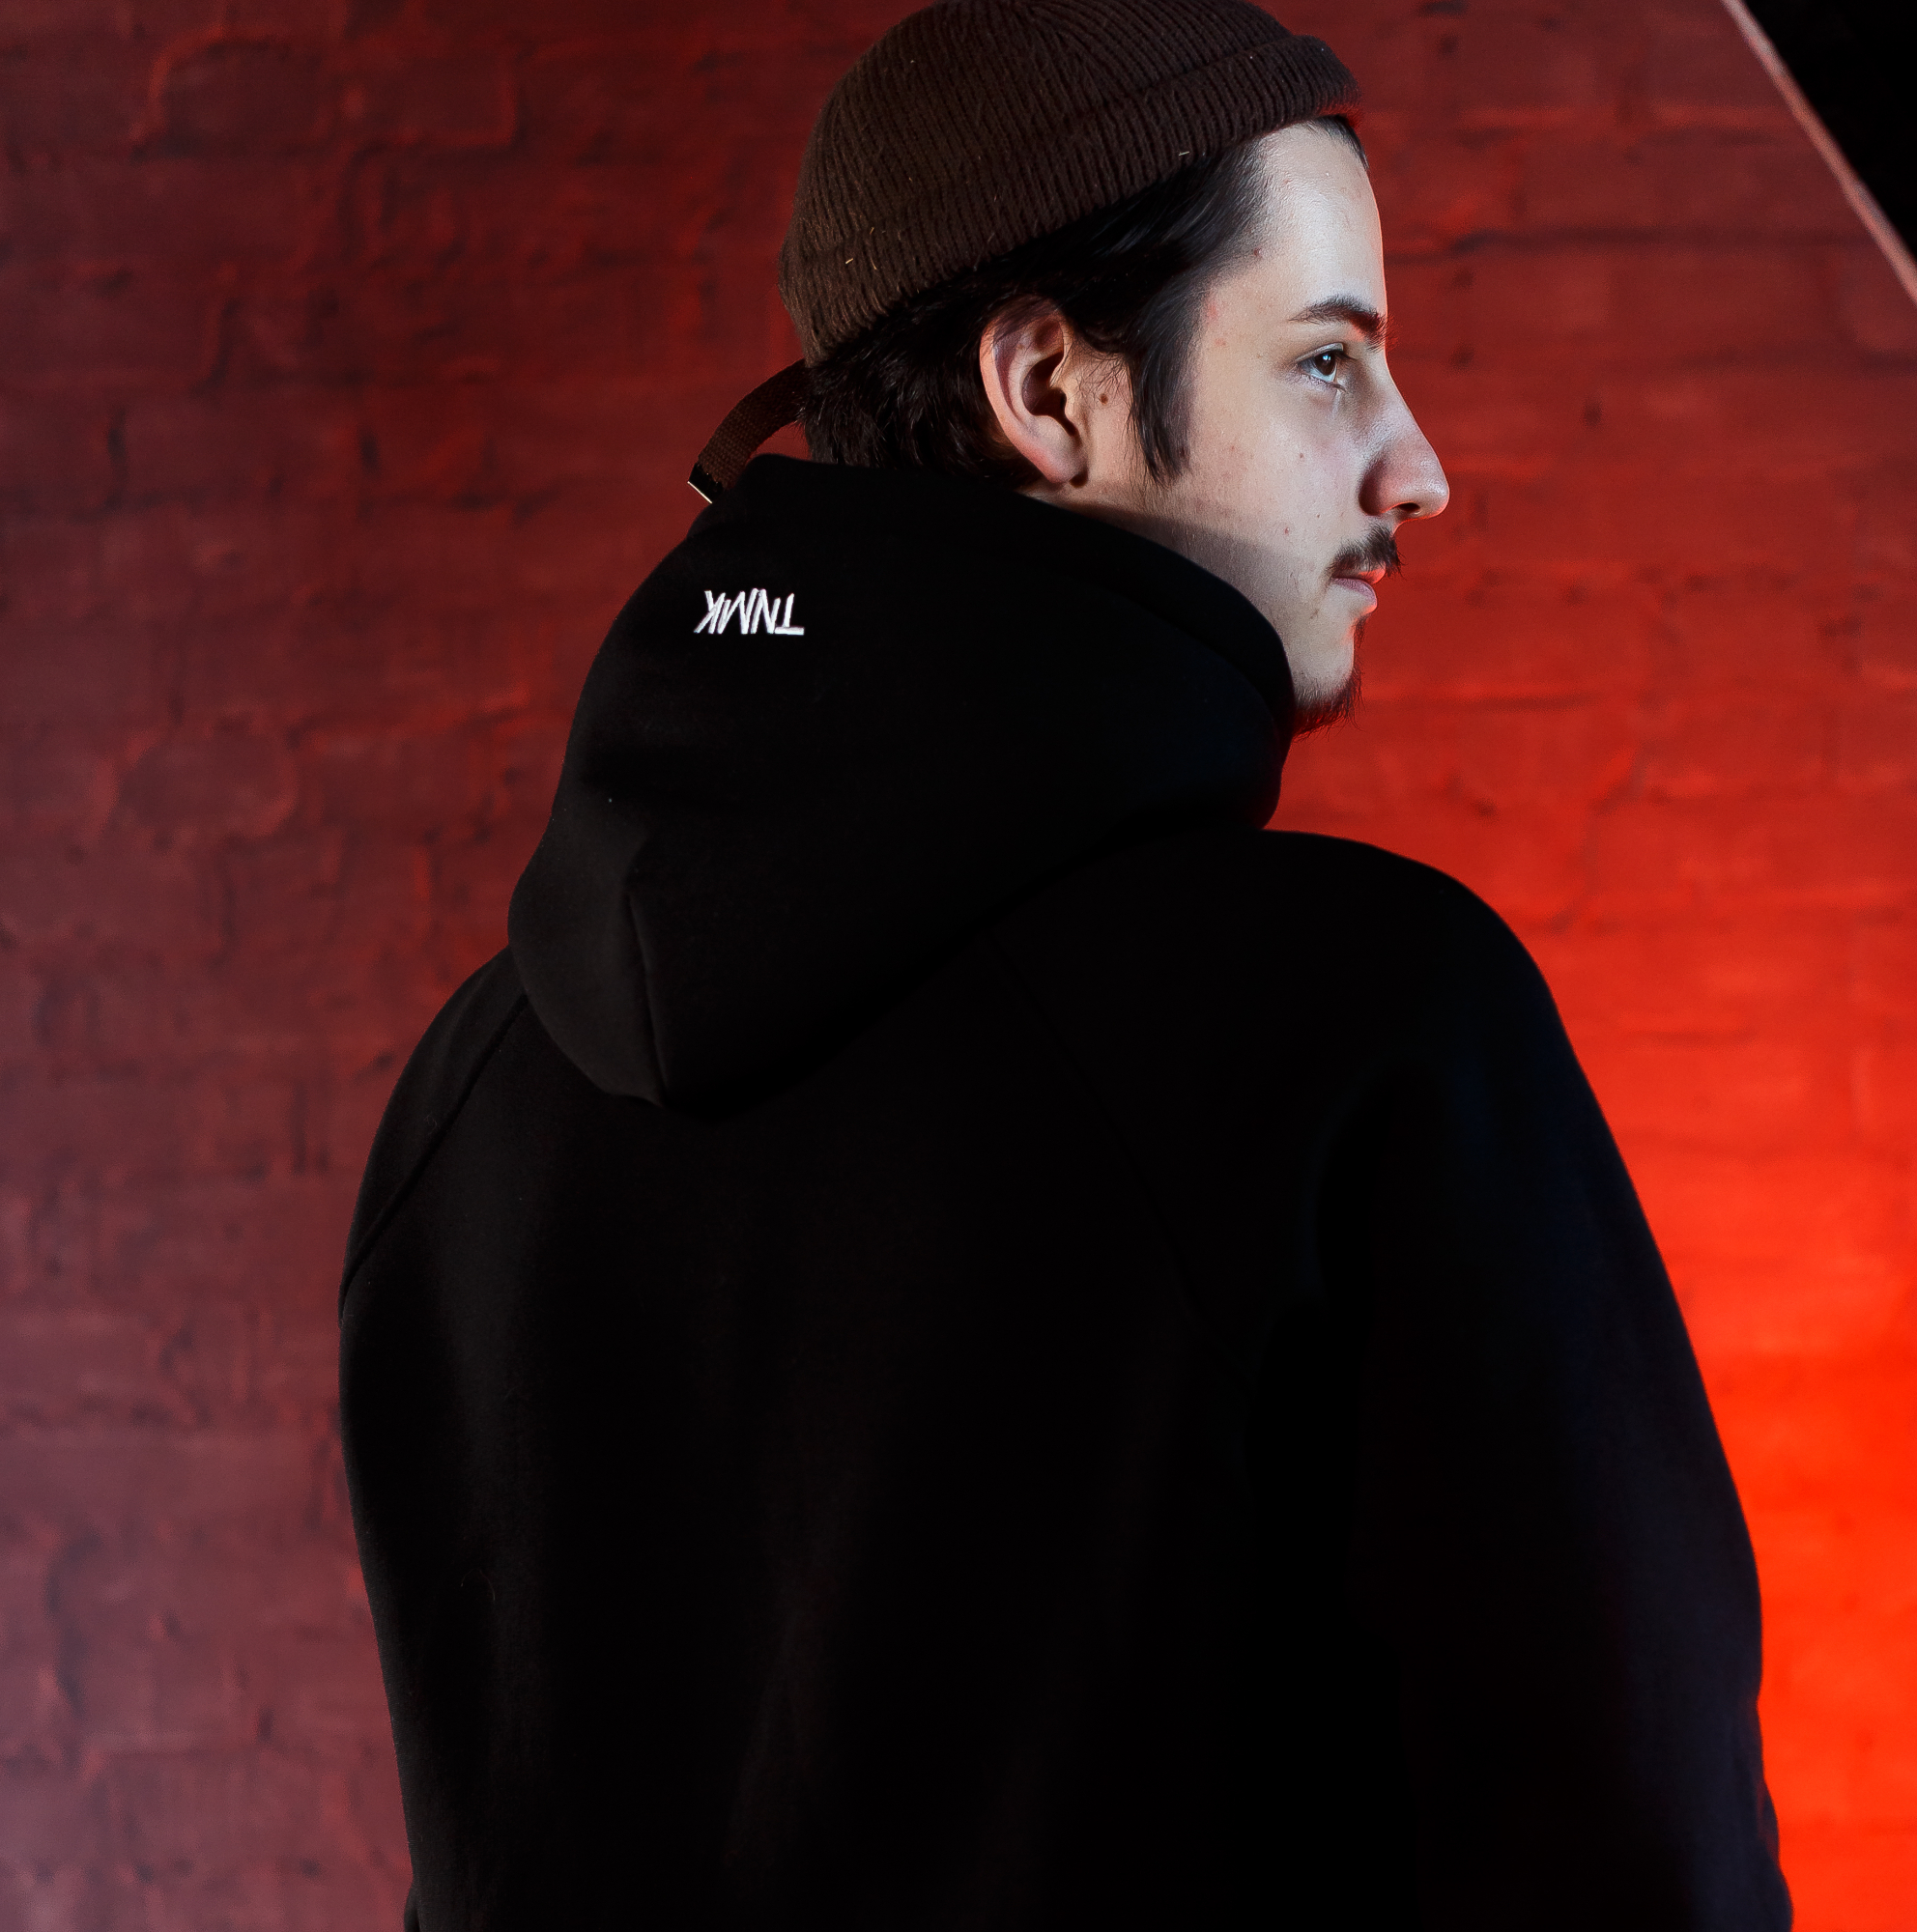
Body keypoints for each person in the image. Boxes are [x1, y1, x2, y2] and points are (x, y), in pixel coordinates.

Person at [338, 3, 1792, 1926]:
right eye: (1328, 361)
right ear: (1049, 388)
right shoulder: (1365, 1025)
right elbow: (1633, 1865)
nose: (1415, 468)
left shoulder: (461, 1102)